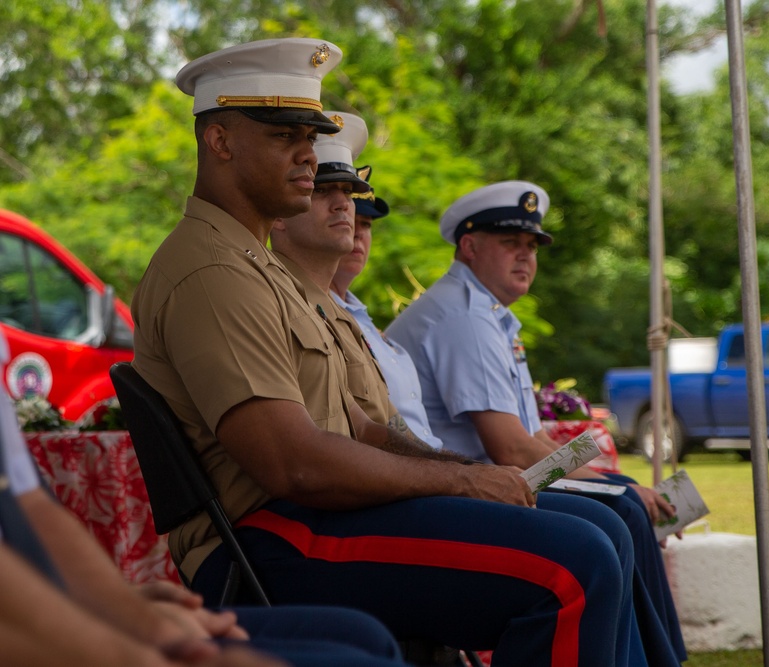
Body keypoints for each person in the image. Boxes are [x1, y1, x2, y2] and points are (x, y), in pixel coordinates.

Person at [132, 38, 646, 667]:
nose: (306, 153)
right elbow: (291, 464)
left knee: (602, 531)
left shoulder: (254, 265)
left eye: (310, 133)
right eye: (284, 135)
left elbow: (358, 428)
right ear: (219, 141)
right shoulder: (211, 271)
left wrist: (465, 475)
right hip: (267, 537)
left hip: (312, 515)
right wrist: (460, 480)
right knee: (573, 565)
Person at [385, 181, 687, 665]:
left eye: (531, 247)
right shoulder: (464, 319)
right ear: (469, 246)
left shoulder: (489, 315)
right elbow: (512, 450)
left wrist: (607, 479)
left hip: (491, 483)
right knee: (625, 508)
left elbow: (536, 440)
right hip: (464, 491)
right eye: (510, 244)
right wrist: (616, 487)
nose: (525, 257)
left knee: (624, 495)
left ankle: (650, 658)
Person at [0, 330, 409, 667]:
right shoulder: (208, 270)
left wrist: (130, 611)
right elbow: (296, 466)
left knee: (363, 636)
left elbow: (32, 505)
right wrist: (134, 652)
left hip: (57, 613)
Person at [330, 188, 444, 448]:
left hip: (427, 465)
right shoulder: (316, 310)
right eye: (347, 217)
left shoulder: (361, 316)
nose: (357, 232)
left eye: (366, 224)